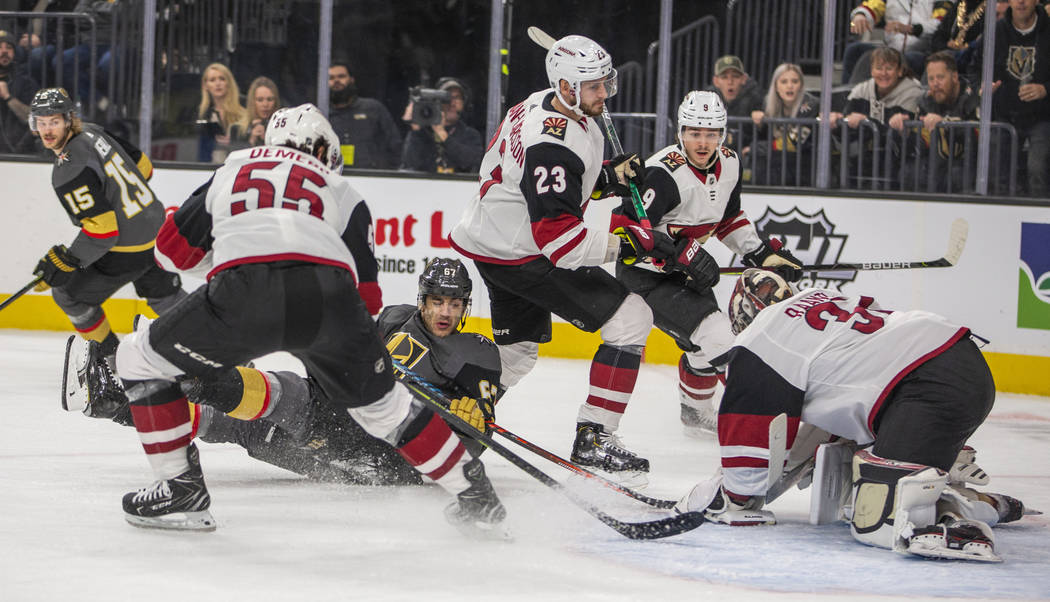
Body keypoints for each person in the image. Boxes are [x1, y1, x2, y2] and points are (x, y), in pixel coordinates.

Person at [114, 104, 507, 537]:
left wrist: (226, 250)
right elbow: (368, 299)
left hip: (243, 289)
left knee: (139, 359)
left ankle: (180, 490)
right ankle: (476, 497)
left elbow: (169, 255)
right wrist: (354, 359)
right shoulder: (342, 191)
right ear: (326, 151)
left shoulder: (233, 168)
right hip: (329, 300)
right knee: (386, 409)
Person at [675, 269, 1033, 562]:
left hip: (927, 388)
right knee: (860, 481)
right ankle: (966, 486)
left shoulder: (760, 339)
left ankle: (955, 519)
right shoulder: (821, 304)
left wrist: (726, 496)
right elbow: (824, 417)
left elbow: (747, 467)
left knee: (875, 520)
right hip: (956, 361)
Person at [450, 34, 681, 483]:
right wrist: (635, 242)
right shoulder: (552, 145)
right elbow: (563, 244)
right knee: (631, 319)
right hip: (524, 253)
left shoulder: (541, 103)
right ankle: (594, 439)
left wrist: (606, 178)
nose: (604, 94)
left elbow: (544, 188)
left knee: (516, 351)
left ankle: (455, 414)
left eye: (604, 83)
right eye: (593, 86)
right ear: (566, 85)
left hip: (495, 241)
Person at [76, 258, 498, 490]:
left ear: (465, 307)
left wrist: (472, 424)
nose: (445, 312)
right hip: (340, 453)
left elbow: (475, 440)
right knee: (229, 424)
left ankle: (196, 376)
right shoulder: (393, 318)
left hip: (383, 455)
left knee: (288, 396)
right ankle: (119, 406)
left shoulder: (476, 354)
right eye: (437, 301)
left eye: (455, 303)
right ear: (423, 299)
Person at [611, 91, 803, 438]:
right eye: (694, 132)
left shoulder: (729, 162)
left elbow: (729, 219)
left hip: (685, 270)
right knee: (719, 339)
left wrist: (761, 254)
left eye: (711, 133)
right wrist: (676, 252)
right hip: (645, 276)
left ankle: (695, 414)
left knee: (703, 349)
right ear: (680, 133)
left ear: (723, 135)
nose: (702, 142)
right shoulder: (662, 173)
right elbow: (623, 235)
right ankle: (758, 423)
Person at [28, 87, 186, 366]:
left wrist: (67, 262)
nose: (48, 130)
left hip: (128, 248)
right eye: (42, 122)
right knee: (165, 298)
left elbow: (103, 231)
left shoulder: (67, 168)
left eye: (54, 121)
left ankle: (110, 362)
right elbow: (145, 167)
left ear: (67, 119)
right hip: (158, 230)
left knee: (67, 294)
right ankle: (222, 356)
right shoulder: (93, 131)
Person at [968, 0, 1050, 197]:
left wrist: (1045, 89)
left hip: (1042, 116)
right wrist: (981, 86)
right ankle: (1002, 220)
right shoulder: (995, 31)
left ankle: (1040, 220)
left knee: (1037, 168)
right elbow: (974, 69)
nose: (1021, 2)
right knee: (995, 170)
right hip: (1003, 114)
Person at [903, 51, 980, 191]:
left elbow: (977, 141)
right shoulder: (926, 101)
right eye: (931, 79)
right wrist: (904, 130)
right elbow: (918, 145)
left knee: (958, 174)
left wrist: (945, 123)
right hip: (937, 163)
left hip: (968, 164)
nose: (935, 84)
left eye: (940, 77)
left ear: (955, 77)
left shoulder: (972, 97)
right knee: (910, 171)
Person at [843, 0, 951, 84]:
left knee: (909, 58)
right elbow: (873, 5)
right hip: (891, 49)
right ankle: (846, 98)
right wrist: (861, 15)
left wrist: (911, 29)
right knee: (854, 50)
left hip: (923, 51)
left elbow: (940, 23)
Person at [750, 63, 819, 187]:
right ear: (776, 86)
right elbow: (764, 136)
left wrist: (757, 147)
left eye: (795, 81)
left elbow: (794, 143)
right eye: (784, 82)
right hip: (779, 162)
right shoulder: (768, 103)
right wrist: (759, 124)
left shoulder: (811, 105)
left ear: (801, 85)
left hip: (804, 162)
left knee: (758, 151)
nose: (790, 86)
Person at [400, 77, 483, 174]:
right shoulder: (422, 133)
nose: (452, 103)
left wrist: (442, 133)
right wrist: (415, 129)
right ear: (437, 103)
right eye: (446, 98)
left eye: (456, 97)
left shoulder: (471, 135)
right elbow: (409, 165)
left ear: (464, 103)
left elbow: (469, 162)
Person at [327, 61, 401, 170]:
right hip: (333, 178)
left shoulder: (373, 109)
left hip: (370, 178)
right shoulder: (321, 113)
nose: (336, 81)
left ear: (352, 79)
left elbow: (395, 146)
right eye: (331, 78)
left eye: (341, 76)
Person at [704, 55, 763, 150]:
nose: (730, 81)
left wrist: (752, 148)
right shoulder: (705, 99)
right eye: (724, 77)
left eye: (735, 76)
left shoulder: (755, 99)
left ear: (744, 79)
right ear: (716, 81)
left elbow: (764, 135)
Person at [196, 62, 249, 163]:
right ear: (206, 86)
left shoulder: (244, 108)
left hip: (241, 164)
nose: (218, 83)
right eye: (212, 80)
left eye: (222, 79)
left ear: (228, 82)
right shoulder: (202, 114)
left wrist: (234, 142)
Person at [0, 28, 38, 153]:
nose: (4, 51)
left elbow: (33, 119)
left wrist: (8, 97)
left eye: (9, 47)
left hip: (17, 153)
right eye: (0, 47)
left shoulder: (26, 82)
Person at [243, 76, 281, 147]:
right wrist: (251, 141)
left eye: (270, 99)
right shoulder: (238, 129)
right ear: (252, 102)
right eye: (260, 100)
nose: (265, 104)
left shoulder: (283, 129)